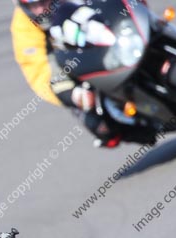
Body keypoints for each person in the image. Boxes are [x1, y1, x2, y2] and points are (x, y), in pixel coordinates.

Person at [11, 0, 157, 147]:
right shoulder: (23, 26)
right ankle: (138, 128)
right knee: (100, 125)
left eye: (43, 1)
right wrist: (72, 94)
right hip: (79, 65)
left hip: (114, 30)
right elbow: (39, 70)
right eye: (33, 6)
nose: (41, 9)